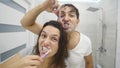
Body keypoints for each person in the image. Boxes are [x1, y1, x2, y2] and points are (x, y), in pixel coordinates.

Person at [21, 0, 93, 68]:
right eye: (62, 15)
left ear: (77, 21)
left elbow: (89, 63)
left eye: (71, 15)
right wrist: (43, 6)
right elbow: (25, 23)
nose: (66, 18)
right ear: (58, 21)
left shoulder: (85, 41)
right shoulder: (50, 34)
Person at [1, 20, 68, 68]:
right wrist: (18, 65)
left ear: (60, 45)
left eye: (54, 39)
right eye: (44, 36)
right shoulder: (29, 52)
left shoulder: (65, 64)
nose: (45, 42)